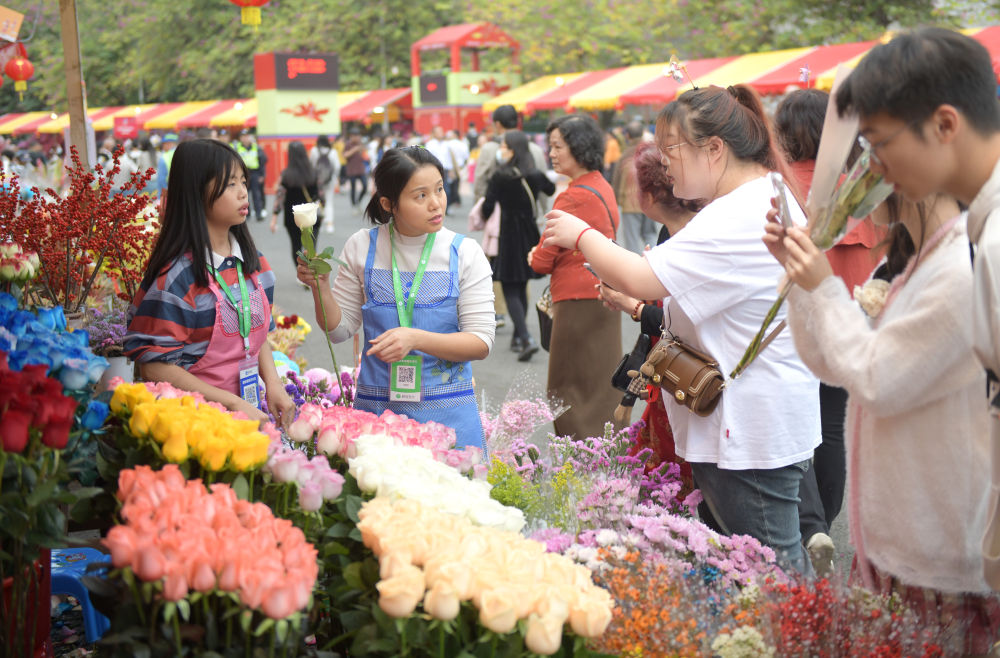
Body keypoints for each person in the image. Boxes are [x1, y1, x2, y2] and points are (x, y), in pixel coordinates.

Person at [540, 86, 821, 574]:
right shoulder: (752, 199)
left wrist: (579, 235)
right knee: (757, 562)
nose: (664, 164)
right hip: (752, 417)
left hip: (747, 427)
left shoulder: (740, 212)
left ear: (714, 149)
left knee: (771, 569)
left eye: (670, 150)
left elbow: (641, 279)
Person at [763, 187, 999, 650]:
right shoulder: (908, 261)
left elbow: (875, 376)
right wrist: (800, 279)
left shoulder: (960, 266)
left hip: (938, 544)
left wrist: (820, 287)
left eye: (877, 143)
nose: (862, 175)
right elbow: (835, 364)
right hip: (897, 539)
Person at [297, 146, 494, 451]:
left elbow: (480, 343)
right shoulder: (362, 246)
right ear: (389, 203)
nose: (436, 203)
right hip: (377, 419)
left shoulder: (465, 252)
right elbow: (339, 331)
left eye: (439, 189)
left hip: (449, 420)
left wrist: (414, 338)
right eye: (421, 196)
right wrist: (320, 286)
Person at [773, 87, 888, 577]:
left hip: (792, 328)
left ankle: (811, 522)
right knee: (833, 427)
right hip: (854, 321)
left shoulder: (778, 188)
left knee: (793, 429)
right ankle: (827, 521)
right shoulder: (867, 192)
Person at [123, 139, 294, 428]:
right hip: (198, 427)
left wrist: (274, 384)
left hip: (251, 416)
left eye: (244, 181)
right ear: (196, 192)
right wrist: (231, 403)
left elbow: (256, 334)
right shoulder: (178, 278)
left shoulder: (256, 265)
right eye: (230, 185)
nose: (244, 193)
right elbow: (153, 366)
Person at [597, 141, 701, 491]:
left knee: (681, 470)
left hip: (690, 374)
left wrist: (634, 305)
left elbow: (686, 323)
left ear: (649, 195)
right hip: (671, 370)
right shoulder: (673, 231)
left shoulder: (693, 238)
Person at [528, 114, 622, 440]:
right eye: (550, 146)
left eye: (557, 146)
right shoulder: (601, 185)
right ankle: (607, 452)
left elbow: (541, 261)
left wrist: (533, 254)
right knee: (599, 384)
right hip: (603, 292)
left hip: (575, 300)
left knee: (565, 385)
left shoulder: (572, 196)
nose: (551, 153)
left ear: (578, 148)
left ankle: (580, 457)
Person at [481, 130, 555, 361]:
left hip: (508, 234)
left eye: (503, 146)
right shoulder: (533, 174)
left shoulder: (500, 176)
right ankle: (518, 335)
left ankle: (525, 336)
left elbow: (486, 208)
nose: (501, 150)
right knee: (520, 283)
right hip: (529, 232)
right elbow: (550, 189)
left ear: (512, 149)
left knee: (510, 287)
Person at [475, 105, 550, 332]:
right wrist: (540, 213)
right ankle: (520, 328)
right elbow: (543, 184)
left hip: (501, 222)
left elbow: (481, 181)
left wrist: (483, 209)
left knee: (502, 271)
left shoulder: (489, 149)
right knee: (522, 272)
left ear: (497, 124)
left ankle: (503, 315)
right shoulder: (534, 149)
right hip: (529, 219)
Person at [269, 141, 322, 267]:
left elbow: (280, 197)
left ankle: (301, 273)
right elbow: (321, 195)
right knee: (311, 246)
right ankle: (312, 271)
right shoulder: (313, 173)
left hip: (293, 217)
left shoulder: (286, 175)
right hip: (311, 215)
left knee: (296, 245)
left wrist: (274, 218)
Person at [613, 121, 659, 254]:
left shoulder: (624, 156)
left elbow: (616, 181)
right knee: (650, 234)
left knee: (632, 240)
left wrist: (616, 201)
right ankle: (654, 262)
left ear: (627, 135)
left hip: (630, 204)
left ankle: (634, 270)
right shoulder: (651, 152)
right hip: (651, 201)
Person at [234, 130, 268, 223]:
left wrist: (262, 175)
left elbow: (263, 161)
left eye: (246, 136)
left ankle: (258, 213)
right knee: (244, 194)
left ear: (250, 137)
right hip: (242, 174)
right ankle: (246, 214)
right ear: (240, 138)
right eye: (242, 136)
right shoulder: (237, 148)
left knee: (256, 194)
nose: (244, 138)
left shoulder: (256, 147)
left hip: (255, 173)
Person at [310, 135, 340, 233]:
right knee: (329, 202)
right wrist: (334, 177)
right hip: (329, 181)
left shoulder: (314, 151)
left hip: (317, 181)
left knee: (316, 201)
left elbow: (312, 165)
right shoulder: (333, 152)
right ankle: (329, 224)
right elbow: (337, 167)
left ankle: (315, 223)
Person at [343, 131, 368, 211]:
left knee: (365, 186)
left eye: (358, 136)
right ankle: (354, 205)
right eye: (355, 136)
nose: (357, 138)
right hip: (352, 170)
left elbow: (365, 154)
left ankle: (358, 202)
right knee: (353, 188)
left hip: (361, 169)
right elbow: (345, 155)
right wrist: (354, 149)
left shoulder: (360, 144)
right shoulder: (348, 145)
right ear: (351, 136)